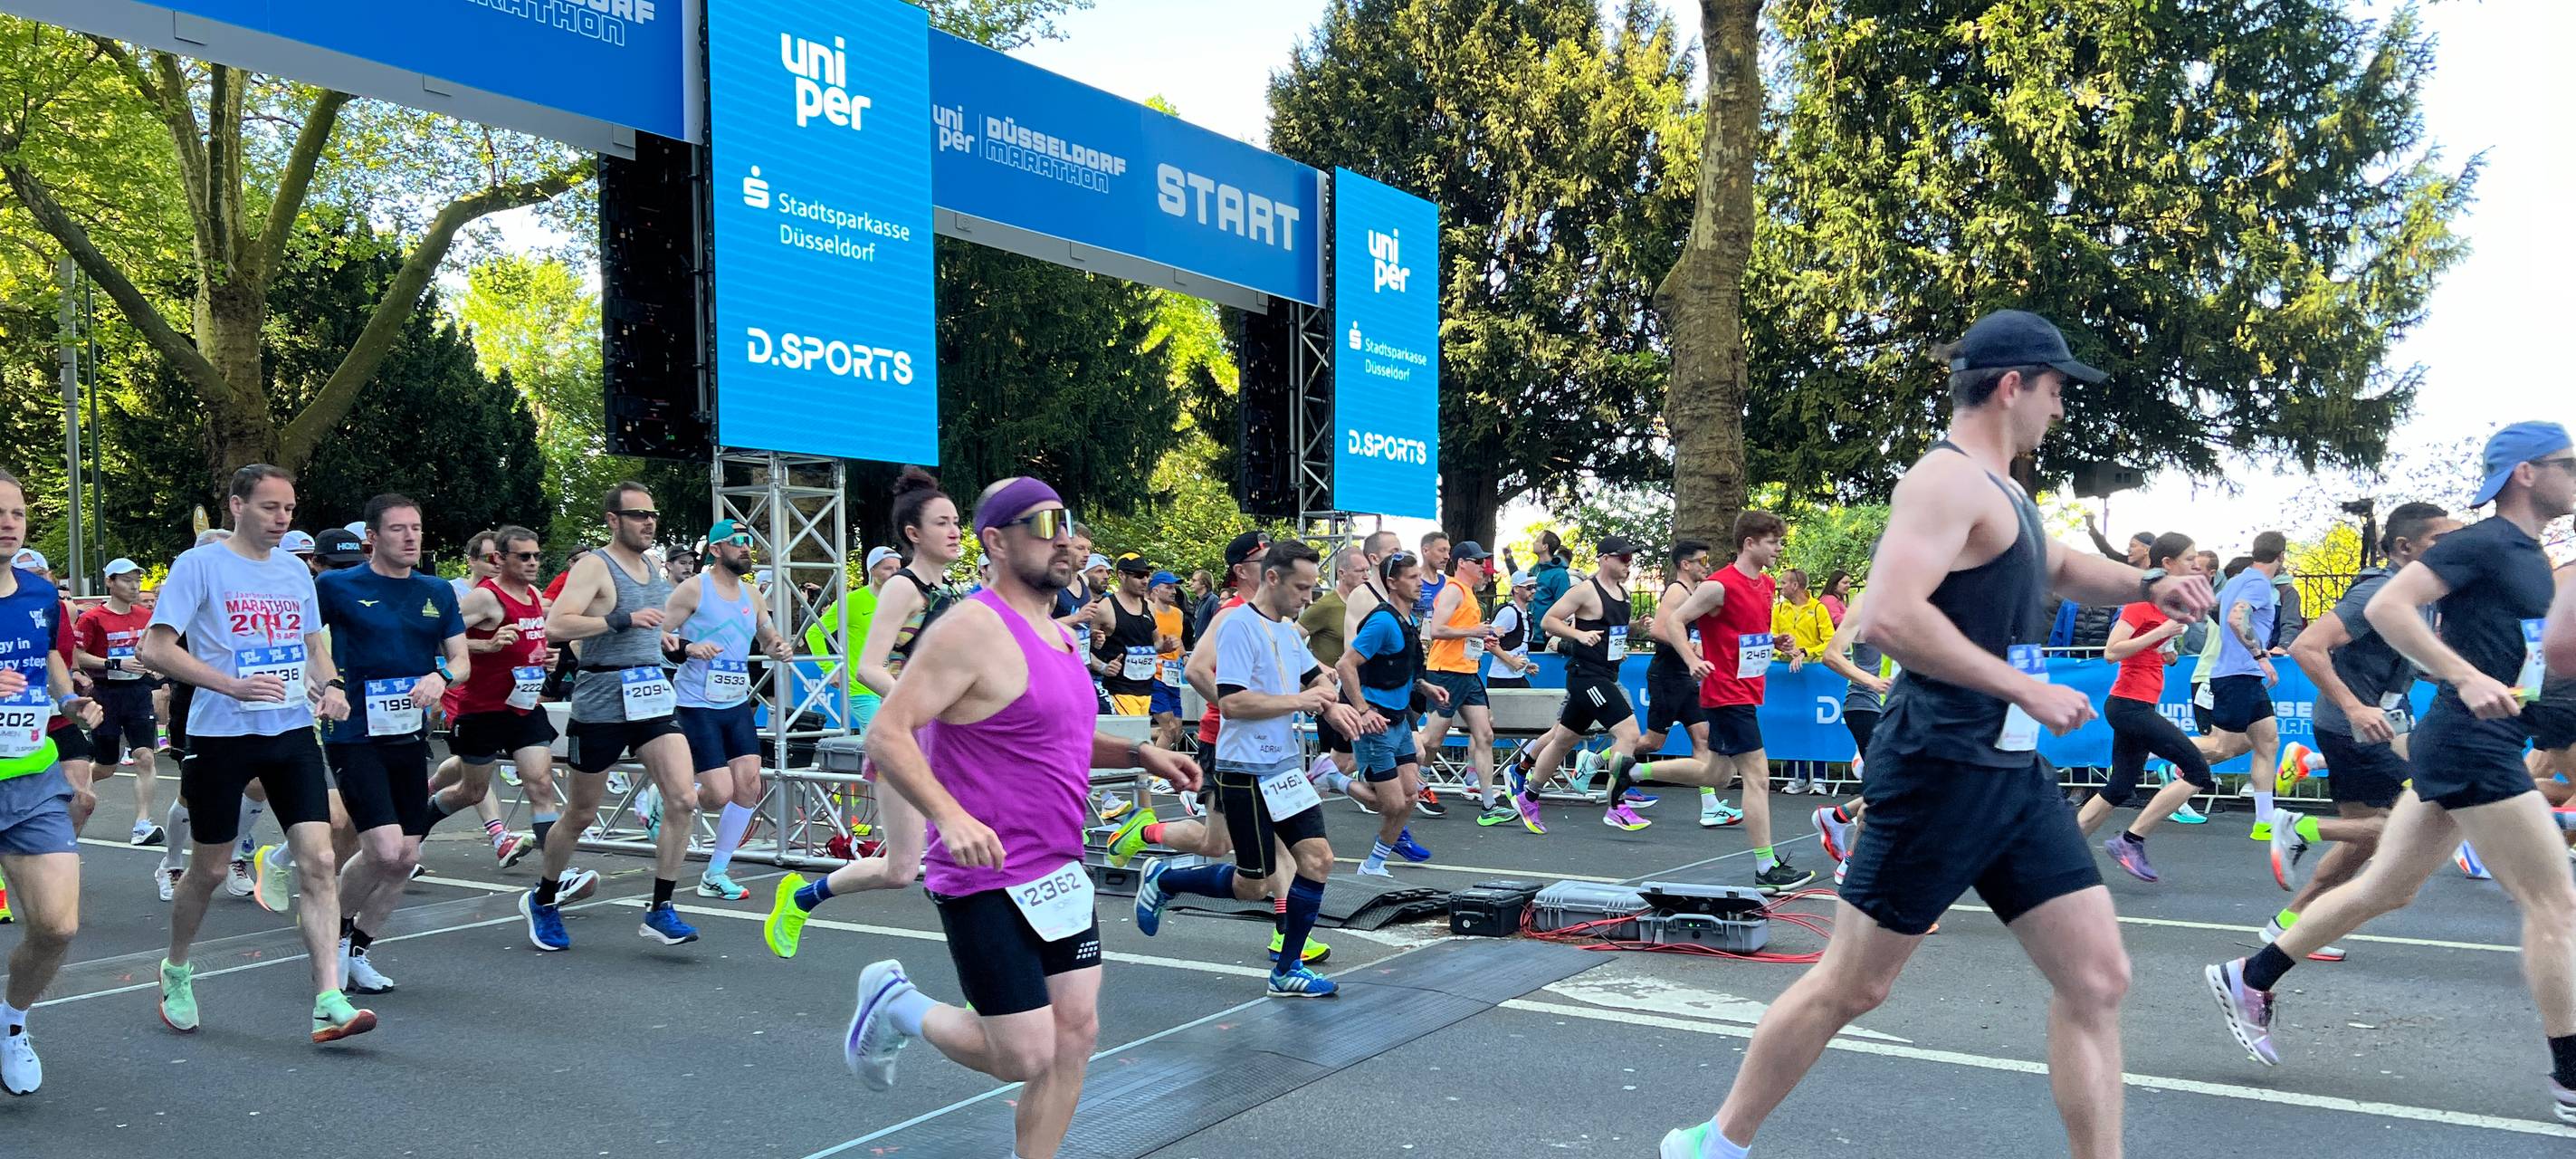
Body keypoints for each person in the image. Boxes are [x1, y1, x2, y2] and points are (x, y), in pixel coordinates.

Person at [1665, 309, 2214, 1159]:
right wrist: (2020, 684)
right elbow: (1886, 617)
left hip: (2012, 775)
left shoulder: (2007, 492)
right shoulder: (1943, 482)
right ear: (2010, 386)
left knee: (2098, 980)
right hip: (1940, 766)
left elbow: (2061, 564)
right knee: (1853, 985)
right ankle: (1716, 1144)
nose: (2062, 407)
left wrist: (2150, 578)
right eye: (2057, 389)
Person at [2205, 423, 2576, 1123]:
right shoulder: (2483, 540)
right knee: (2555, 907)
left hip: (2464, 741)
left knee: (2386, 887)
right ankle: (2571, 1081)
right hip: (2475, 746)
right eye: (2569, 463)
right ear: (2526, 473)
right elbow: (2385, 606)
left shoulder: (2528, 555)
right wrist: (2463, 676)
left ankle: (2250, 974)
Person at [840, 477, 1205, 1159]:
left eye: (1067, 524)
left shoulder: (1060, 637)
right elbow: (887, 733)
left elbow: (1054, 733)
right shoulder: (970, 629)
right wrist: (948, 816)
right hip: (986, 873)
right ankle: (896, 1004)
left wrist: (1139, 753)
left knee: (1077, 1035)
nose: (1063, 539)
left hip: (1058, 868)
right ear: (997, 542)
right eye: (1042, 525)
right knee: (1024, 1055)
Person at [143, 463, 376, 1044]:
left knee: (320, 862)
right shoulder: (200, 565)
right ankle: (176, 966)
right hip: (221, 735)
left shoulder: (297, 576)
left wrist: (333, 688)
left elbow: (313, 649)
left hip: (290, 730)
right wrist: (231, 685)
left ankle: (328, 997)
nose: (283, 519)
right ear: (237, 506)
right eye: (271, 507)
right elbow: (155, 649)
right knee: (211, 870)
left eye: (290, 509)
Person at [1136, 539, 1360, 996]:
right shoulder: (1238, 625)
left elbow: (1313, 679)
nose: (1307, 598)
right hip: (1243, 770)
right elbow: (1233, 701)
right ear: (1272, 578)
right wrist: (1302, 701)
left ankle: (1287, 969)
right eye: (1301, 587)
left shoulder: (1286, 629)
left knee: (1317, 860)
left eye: (1313, 588)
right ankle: (1166, 878)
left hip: (1282, 768)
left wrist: (1333, 709)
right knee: (1253, 885)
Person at [765, 468, 964, 957]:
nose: (955, 530)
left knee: (971, 850)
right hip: (903, 736)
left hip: (948, 739)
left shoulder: (952, 591)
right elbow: (871, 668)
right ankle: (800, 898)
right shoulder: (903, 588)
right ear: (914, 534)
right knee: (900, 869)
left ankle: (996, 984)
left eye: (957, 520)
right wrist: (920, 705)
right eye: (942, 522)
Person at [2265, 503, 2461, 961]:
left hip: (2377, 724)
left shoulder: (2422, 595)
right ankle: (2301, 826)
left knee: (2363, 839)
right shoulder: (2379, 590)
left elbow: (2411, 660)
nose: (2451, 548)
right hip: (2357, 728)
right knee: (2412, 824)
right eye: (2439, 540)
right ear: (2404, 547)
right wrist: (2355, 707)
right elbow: (2306, 646)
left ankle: (2290, 924)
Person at [524, 481, 700, 951]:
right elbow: (557, 625)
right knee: (581, 813)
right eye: (638, 514)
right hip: (601, 700)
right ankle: (543, 897)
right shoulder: (593, 566)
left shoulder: (654, 570)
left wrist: (668, 643)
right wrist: (621, 620)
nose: (648, 522)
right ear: (613, 520)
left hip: (650, 698)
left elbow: (649, 627)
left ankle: (661, 908)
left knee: (682, 798)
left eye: (652, 515)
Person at [309, 493, 470, 995]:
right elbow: (307, 641)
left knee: (404, 857)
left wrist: (441, 677)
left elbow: (461, 660)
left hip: (407, 733)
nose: (410, 537)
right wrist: (327, 684)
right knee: (381, 849)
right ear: (372, 538)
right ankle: (328, 934)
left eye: (416, 528)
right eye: (398, 529)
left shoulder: (437, 590)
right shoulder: (336, 585)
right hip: (354, 731)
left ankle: (359, 948)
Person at [0, 470, 99, 1091]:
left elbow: (51, 663)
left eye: (15, 512)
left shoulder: (40, 595)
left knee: (58, 926)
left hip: (30, 778)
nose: (7, 522)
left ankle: (12, 1024)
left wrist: (70, 702)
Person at [1643, 515, 1807, 888]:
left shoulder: (1765, 584)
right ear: (1749, 543)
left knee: (1715, 774)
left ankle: (1632, 772)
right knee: (1758, 776)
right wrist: (1691, 659)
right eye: (1772, 542)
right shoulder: (1718, 586)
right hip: (1725, 691)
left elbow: (1747, 633)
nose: (1779, 549)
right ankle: (1766, 868)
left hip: (1748, 689)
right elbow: (1673, 622)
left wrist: (1773, 642)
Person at [427, 524, 591, 894]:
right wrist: (488, 646)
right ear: (500, 559)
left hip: (523, 706)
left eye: (536, 555)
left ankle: (556, 874)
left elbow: (533, 640)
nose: (533, 563)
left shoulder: (533, 594)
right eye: (524, 556)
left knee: (541, 784)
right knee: (471, 791)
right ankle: (415, 826)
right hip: (482, 710)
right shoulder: (484, 599)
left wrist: (542, 657)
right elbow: (439, 640)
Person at [2073, 532, 2218, 880]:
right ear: (2166, 564)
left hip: (2135, 703)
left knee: (2120, 787)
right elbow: (2112, 652)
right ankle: (2131, 840)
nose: (2195, 564)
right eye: (2188, 558)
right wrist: (2162, 631)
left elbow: (2143, 649)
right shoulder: (2141, 603)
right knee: (2197, 772)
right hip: (2129, 705)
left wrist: (2163, 651)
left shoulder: (2168, 604)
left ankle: (2060, 852)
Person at [666, 519, 797, 900]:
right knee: (718, 793)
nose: (746, 548)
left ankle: (715, 872)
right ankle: (674, 796)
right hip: (696, 702)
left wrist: (777, 646)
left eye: (750, 542)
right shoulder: (694, 590)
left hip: (736, 701)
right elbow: (658, 635)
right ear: (716, 549)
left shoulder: (752, 594)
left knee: (749, 784)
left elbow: (766, 633)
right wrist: (689, 647)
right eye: (738, 542)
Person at [1512, 536, 1651, 835]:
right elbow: (1549, 621)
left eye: (1631, 559)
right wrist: (1578, 636)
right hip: (1587, 676)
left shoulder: (1624, 595)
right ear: (1604, 558)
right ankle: (1616, 805)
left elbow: (1610, 632)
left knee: (1563, 740)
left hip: (1605, 672)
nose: (1629, 564)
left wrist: (1626, 640)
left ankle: (1529, 797)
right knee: (1629, 733)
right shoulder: (1586, 590)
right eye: (1623, 558)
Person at [1339, 551, 1446, 870]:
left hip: (1398, 720)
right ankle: (1333, 776)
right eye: (1412, 578)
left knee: (1411, 796)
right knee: (1391, 803)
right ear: (1392, 582)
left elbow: (1399, 667)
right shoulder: (1383, 621)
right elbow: (1345, 665)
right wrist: (1362, 710)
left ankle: (1373, 864)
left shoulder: (1409, 619)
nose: (1420, 583)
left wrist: (1424, 686)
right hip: (1375, 722)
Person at [1635, 541, 1741, 830]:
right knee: (1652, 742)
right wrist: (1691, 649)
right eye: (1701, 560)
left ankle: (1710, 807)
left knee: (1702, 737)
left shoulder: (1695, 592)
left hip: (1686, 675)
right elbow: (1658, 629)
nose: (1706, 565)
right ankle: (1597, 761)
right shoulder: (1676, 591)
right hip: (1667, 675)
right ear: (1685, 565)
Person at [2193, 531, 2290, 838]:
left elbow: (2210, 608)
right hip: (2238, 674)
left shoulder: (2236, 580)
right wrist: (2260, 655)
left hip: (2243, 673)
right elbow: (2237, 618)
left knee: (2267, 742)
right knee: (2221, 746)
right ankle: (2158, 752)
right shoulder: (2260, 583)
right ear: (2281, 556)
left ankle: (2264, 822)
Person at [1414, 541, 1507, 821]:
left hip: (1468, 672)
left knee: (1485, 735)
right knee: (1431, 740)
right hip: (1445, 672)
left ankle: (1489, 805)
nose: (1483, 567)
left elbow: (1464, 634)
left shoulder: (1467, 594)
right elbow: (1437, 630)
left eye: (1483, 562)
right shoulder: (1452, 590)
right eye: (1478, 562)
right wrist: (1474, 630)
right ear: (1463, 563)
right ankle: (1408, 776)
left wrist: (1481, 636)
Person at [75, 557, 165, 844]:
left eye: (137, 580)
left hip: (138, 692)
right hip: (106, 694)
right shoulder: (92, 618)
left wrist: (155, 665)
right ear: (110, 582)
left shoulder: (144, 616)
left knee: (145, 757)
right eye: (127, 580)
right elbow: (77, 656)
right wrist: (114, 664)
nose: (134, 586)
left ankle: (142, 824)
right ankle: (76, 786)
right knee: (106, 766)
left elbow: (154, 649)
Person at [1811, 588, 1893, 874]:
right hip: (1866, 706)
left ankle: (1837, 816)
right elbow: (1831, 655)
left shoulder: (1921, 599)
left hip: (1902, 712)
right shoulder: (1867, 601)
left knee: (1906, 784)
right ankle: (1852, 863)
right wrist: (1871, 681)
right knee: (1886, 788)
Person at [810, 545, 902, 733]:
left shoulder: (904, 600)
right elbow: (814, 633)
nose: (894, 574)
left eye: (898, 569)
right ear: (872, 569)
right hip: (862, 688)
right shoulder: (851, 601)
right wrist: (830, 670)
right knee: (885, 738)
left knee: (880, 747)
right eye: (887, 568)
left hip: (895, 686)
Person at [1297, 548, 1365, 786]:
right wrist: (1319, 667)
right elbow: (1291, 638)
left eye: (1368, 570)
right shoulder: (1326, 606)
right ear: (1342, 573)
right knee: (1333, 757)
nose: (1366, 575)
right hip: (1332, 688)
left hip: (1358, 686)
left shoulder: (1368, 604)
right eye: (1360, 570)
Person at [1770, 568, 1837, 794]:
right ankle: (1795, 777)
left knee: (1816, 722)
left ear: (1796, 585)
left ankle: (1818, 777)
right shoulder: (1779, 608)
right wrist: (1786, 652)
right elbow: (1772, 637)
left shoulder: (1818, 609)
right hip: (1788, 673)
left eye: (1784, 583)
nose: (1780, 587)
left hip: (1814, 673)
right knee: (1790, 722)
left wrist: (1805, 652)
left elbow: (1830, 641)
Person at [1088, 553, 1161, 717]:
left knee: (1150, 733)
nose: (1145, 581)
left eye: (1147, 575)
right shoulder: (1104, 608)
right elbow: (1083, 648)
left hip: (1146, 688)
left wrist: (1166, 646)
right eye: (1139, 576)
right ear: (1121, 575)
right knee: (1134, 739)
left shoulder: (1150, 607)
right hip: (1118, 689)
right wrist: (1103, 667)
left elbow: (1156, 644)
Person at [1147, 570, 1188, 752]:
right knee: (1169, 728)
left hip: (1173, 676)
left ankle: (1136, 736)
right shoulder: (1147, 610)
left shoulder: (1178, 614)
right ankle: (1156, 774)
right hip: (1154, 676)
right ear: (1155, 590)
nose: (1173, 591)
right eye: (1168, 587)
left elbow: (1177, 640)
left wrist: (1185, 656)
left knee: (1177, 732)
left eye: (1174, 588)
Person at [1485, 571, 1540, 691]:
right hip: (1502, 679)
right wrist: (1512, 661)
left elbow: (1515, 648)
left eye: (1535, 587)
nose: (1533, 591)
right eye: (1529, 587)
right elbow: (1489, 641)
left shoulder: (1526, 614)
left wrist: (1524, 665)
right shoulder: (1509, 612)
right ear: (1516, 589)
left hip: (1517, 677)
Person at [1527, 531, 1572, 638]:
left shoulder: (1560, 575)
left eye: (1537, 540)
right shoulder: (1533, 570)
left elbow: (1563, 606)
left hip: (1545, 636)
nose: (1534, 542)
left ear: (1545, 547)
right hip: (1528, 634)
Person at [2083, 513, 2155, 568]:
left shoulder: (2161, 571)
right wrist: (2092, 528)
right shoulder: (2126, 565)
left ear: (2146, 550)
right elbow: (2107, 550)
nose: (2128, 549)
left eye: (2133, 546)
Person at [1413, 531, 1452, 618]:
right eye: (1442, 550)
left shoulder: (1449, 583)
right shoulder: (1412, 582)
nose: (1447, 556)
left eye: (1448, 551)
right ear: (1425, 551)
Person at [453, 530, 500, 599]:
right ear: (472, 561)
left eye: (504, 558)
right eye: (491, 558)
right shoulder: (451, 590)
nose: (498, 565)